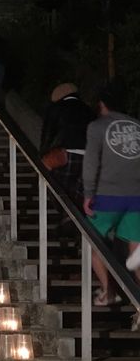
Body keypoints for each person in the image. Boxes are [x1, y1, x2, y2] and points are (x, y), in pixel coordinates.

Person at [83, 85, 140, 329]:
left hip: (108, 196)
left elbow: (91, 162)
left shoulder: (97, 127)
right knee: (136, 252)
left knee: (92, 244)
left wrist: (88, 193)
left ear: (102, 104)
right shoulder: (137, 126)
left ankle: (109, 293)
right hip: (136, 197)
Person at [39, 83, 95, 229]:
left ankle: (66, 213)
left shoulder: (55, 109)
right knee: (80, 189)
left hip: (65, 154)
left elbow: (48, 135)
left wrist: (43, 156)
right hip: (89, 157)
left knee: (53, 183)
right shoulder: (89, 110)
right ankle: (80, 220)